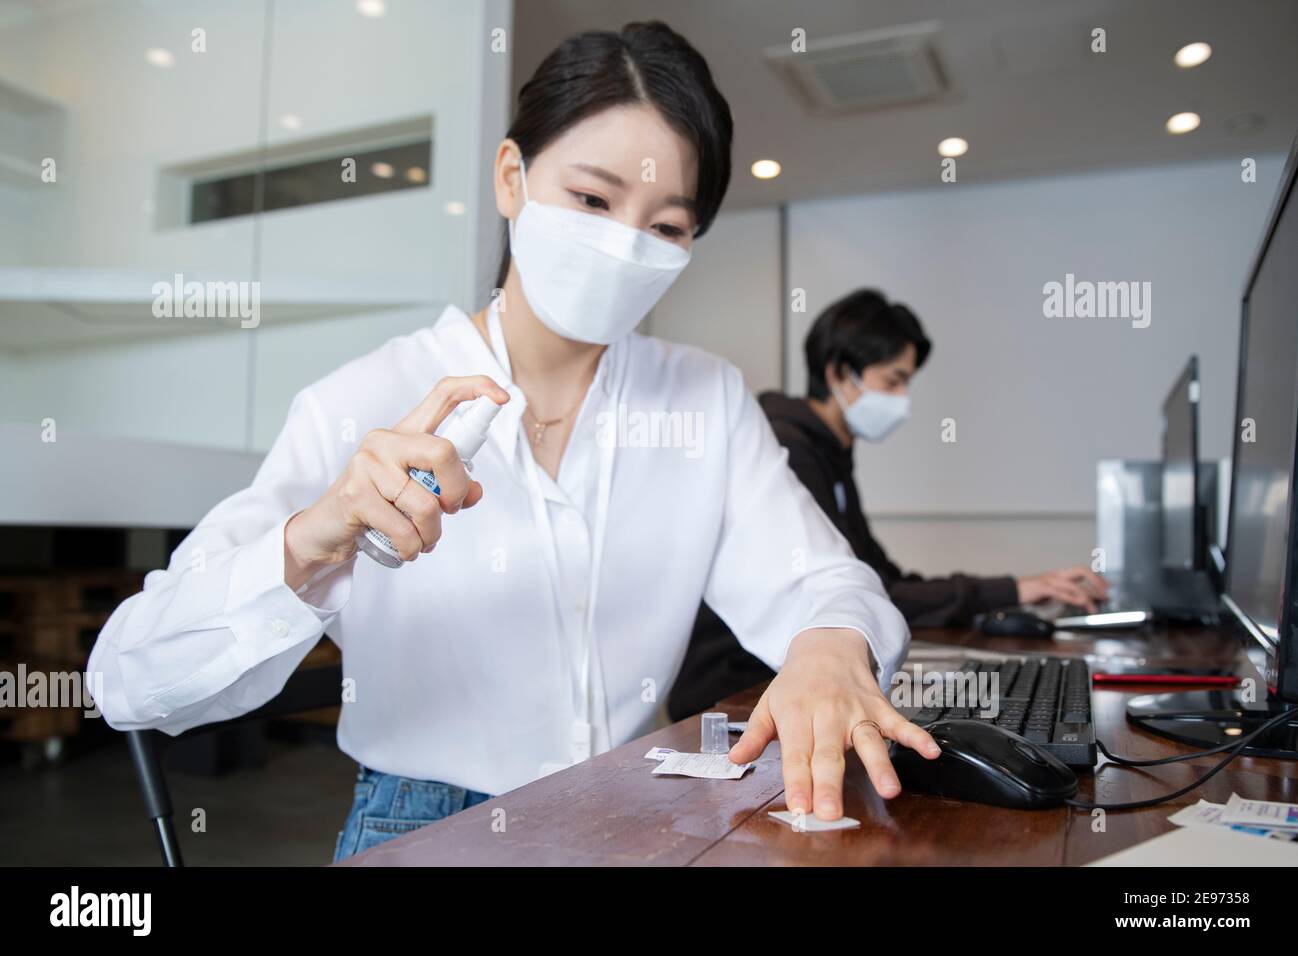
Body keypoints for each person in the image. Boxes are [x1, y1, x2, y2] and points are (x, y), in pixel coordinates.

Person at [88, 23, 939, 862]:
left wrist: (831, 647)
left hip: (639, 811)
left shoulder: (704, 398)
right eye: (592, 200)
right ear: (511, 178)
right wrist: (310, 540)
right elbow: (128, 679)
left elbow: (824, 579)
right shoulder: (360, 403)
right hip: (421, 828)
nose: (623, 245)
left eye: (667, 227)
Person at [668, 288, 1109, 721]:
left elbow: (879, 582)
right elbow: (878, 594)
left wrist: (1014, 589)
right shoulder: (790, 448)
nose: (902, 400)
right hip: (737, 692)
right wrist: (1016, 588)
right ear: (840, 373)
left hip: (783, 679)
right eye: (893, 380)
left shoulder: (831, 454)